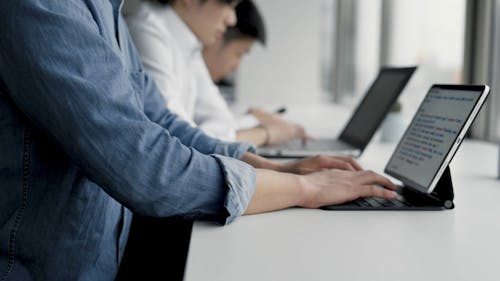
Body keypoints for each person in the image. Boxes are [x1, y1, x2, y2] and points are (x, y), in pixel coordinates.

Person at [0, 0, 397, 280]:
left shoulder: (109, 12)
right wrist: (302, 189)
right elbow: (145, 168)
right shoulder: (42, 7)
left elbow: (158, 119)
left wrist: (267, 166)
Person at [125, 0, 308, 147]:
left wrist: (254, 121)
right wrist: (264, 133)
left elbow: (220, 118)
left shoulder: (189, 44)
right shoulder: (146, 31)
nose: (232, 19)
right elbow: (178, 140)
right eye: (227, 4)